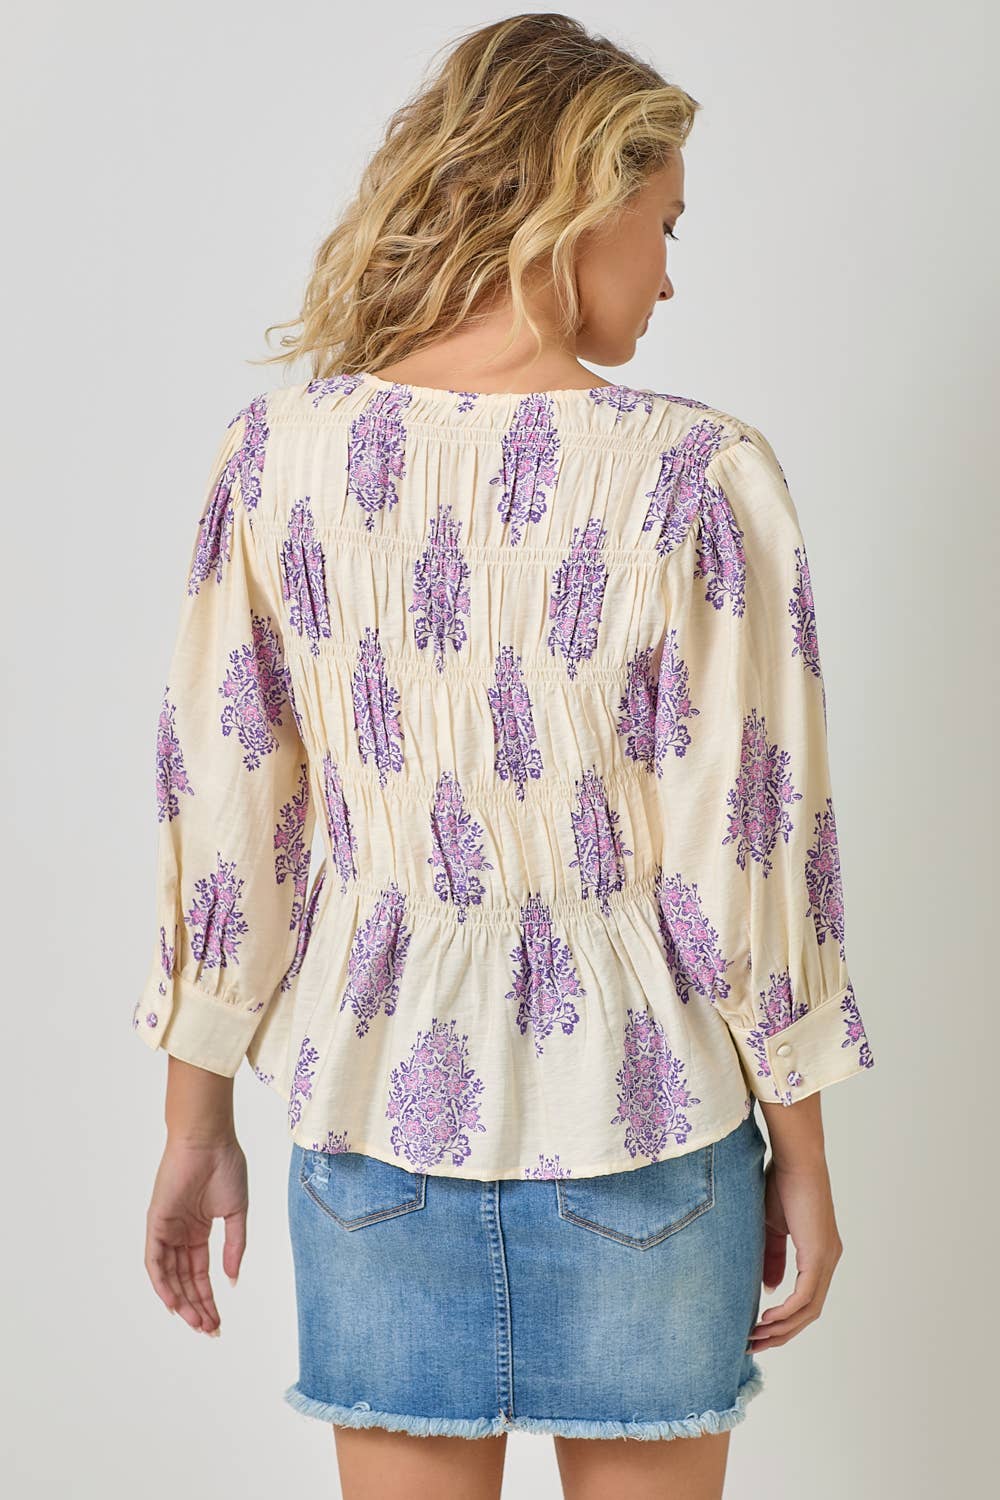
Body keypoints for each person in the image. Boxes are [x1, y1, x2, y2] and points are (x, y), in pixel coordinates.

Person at [134, 13, 876, 1499]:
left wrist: (193, 1116)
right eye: (664, 225)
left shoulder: (277, 457)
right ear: (581, 202)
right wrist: (803, 1152)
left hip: (371, 1123)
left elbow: (227, 817)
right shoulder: (697, 474)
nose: (670, 272)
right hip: (651, 1132)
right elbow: (749, 850)